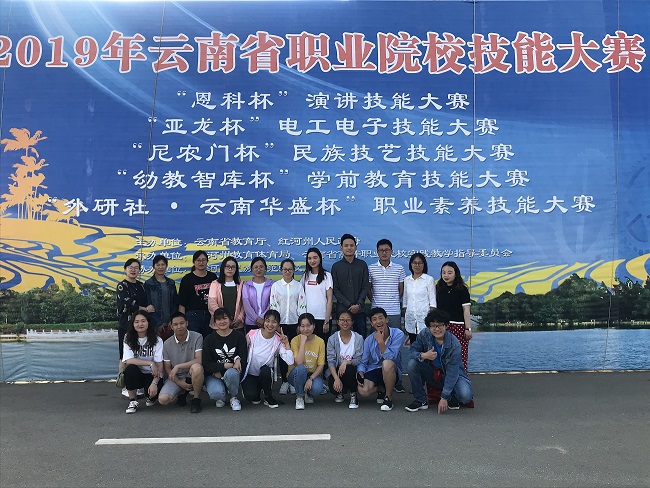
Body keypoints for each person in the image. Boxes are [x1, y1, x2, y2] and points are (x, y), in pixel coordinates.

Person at [405, 308, 473, 413]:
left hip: (453, 375)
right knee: (412, 364)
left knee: (465, 396)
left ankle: (452, 397)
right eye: (433, 326)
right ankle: (420, 400)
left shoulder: (454, 344)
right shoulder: (424, 334)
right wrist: (423, 355)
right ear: (428, 327)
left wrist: (444, 397)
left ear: (446, 326)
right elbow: (412, 351)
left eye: (440, 325)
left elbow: (453, 372)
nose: (436, 329)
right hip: (433, 373)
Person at [241, 309, 294, 408]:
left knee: (266, 371)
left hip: (265, 374)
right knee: (252, 397)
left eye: (274, 322)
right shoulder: (252, 334)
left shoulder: (278, 340)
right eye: (267, 321)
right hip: (250, 373)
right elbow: (242, 351)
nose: (270, 324)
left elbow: (290, 361)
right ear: (264, 321)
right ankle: (256, 391)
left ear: (278, 324)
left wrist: (286, 343)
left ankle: (268, 395)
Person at [116, 258, 153, 398]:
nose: (133, 270)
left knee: (139, 354)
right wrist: (145, 309)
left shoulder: (141, 286)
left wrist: (147, 308)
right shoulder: (122, 286)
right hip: (126, 325)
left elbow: (147, 302)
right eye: (130, 267)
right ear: (125, 269)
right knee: (125, 356)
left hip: (141, 326)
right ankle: (126, 385)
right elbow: (128, 303)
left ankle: (137, 385)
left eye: (136, 267)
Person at [356, 307, 405, 412]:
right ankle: (382, 389)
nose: (378, 322)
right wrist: (360, 371)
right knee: (363, 391)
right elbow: (363, 362)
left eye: (381, 318)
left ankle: (388, 398)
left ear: (386, 320)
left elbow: (391, 357)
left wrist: (380, 342)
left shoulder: (398, 334)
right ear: (372, 324)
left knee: (386, 363)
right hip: (375, 369)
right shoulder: (369, 340)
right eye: (374, 319)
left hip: (392, 369)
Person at [270, 258, 305, 395]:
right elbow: (273, 305)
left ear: (294, 270)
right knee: (283, 354)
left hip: (295, 324)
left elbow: (302, 305)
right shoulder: (276, 286)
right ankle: (284, 381)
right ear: (281, 270)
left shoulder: (298, 286)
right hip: (281, 326)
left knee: (294, 352)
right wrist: (276, 325)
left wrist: (301, 325)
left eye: (290, 269)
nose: (287, 272)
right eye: (285, 269)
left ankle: (293, 381)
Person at [158, 312, 204, 413]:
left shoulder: (197, 337)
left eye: (182, 323)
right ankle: (182, 392)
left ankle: (196, 399)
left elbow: (198, 360)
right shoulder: (167, 343)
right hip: (176, 376)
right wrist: (179, 383)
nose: (179, 327)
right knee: (163, 400)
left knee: (197, 368)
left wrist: (178, 366)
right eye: (175, 324)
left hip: (191, 374)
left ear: (187, 323)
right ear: (171, 327)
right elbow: (167, 368)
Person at [203, 307, 247, 411]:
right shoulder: (209, 339)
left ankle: (233, 397)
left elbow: (244, 357)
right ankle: (221, 396)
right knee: (216, 393)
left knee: (231, 373)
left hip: (232, 373)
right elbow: (206, 364)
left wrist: (237, 361)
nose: (222, 321)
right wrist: (225, 366)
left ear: (231, 319)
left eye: (225, 318)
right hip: (214, 374)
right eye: (218, 319)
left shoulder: (239, 336)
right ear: (214, 322)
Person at [121, 311, 163, 414]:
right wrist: (150, 363)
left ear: (148, 322)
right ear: (133, 324)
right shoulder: (128, 337)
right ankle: (132, 400)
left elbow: (160, 365)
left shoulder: (157, 340)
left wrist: (154, 383)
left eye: (143, 321)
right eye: (137, 322)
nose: (140, 324)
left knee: (153, 397)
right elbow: (128, 360)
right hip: (137, 374)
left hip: (152, 374)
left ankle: (150, 397)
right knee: (130, 369)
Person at [435, 261, 473, 373]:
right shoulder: (438, 288)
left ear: (456, 273)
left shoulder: (462, 289)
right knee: (443, 355)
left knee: (460, 355)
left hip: (459, 327)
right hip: (442, 327)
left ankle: (461, 379)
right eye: (444, 272)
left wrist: (468, 328)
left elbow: (466, 310)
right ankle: (443, 380)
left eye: (449, 272)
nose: (446, 275)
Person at [331, 233, 370, 338]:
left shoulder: (362, 265)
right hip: (342, 310)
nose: (349, 248)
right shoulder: (336, 267)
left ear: (356, 247)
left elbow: (365, 286)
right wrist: (348, 304)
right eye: (346, 245)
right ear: (341, 248)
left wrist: (359, 304)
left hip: (359, 310)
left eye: (352, 245)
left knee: (361, 338)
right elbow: (335, 289)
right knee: (342, 339)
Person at [326, 310, 364, 409]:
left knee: (349, 369)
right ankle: (340, 392)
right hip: (337, 370)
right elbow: (331, 360)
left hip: (352, 370)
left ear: (352, 322)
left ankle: (353, 394)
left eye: (348, 320)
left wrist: (347, 362)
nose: (345, 322)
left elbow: (359, 359)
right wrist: (336, 379)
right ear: (338, 322)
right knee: (333, 388)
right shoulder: (332, 339)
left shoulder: (358, 338)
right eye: (342, 320)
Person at [288, 313, 326, 410]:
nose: (305, 329)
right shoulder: (295, 340)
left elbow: (321, 365)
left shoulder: (320, 341)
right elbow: (299, 362)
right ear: (299, 327)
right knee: (301, 368)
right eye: (302, 326)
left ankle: (308, 393)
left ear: (314, 326)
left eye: (308, 325)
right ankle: (299, 397)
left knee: (317, 389)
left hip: (312, 374)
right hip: (296, 374)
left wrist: (311, 379)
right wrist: (302, 342)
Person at [178, 250, 217, 338]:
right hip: (192, 316)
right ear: (194, 262)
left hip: (209, 315)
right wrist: (182, 320)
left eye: (203, 260)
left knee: (208, 341)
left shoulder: (212, 277)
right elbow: (182, 303)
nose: (201, 262)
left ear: (207, 261)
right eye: (198, 260)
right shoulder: (187, 279)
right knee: (194, 341)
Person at [368, 239, 405, 330]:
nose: (384, 253)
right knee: (377, 337)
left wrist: (394, 300)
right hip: (376, 312)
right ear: (377, 252)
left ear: (391, 252)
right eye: (381, 250)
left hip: (394, 311)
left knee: (395, 336)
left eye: (387, 250)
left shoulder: (399, 268)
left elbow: (401, 290)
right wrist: (375, 301)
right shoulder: (370, 269)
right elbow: (368, 290)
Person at [300, 247, 333, 342]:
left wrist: (326, 321)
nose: (312, 261)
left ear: (320, 258)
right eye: (309, 258)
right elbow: (301, 298)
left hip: (323, 318)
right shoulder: (305, 276)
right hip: (308, 320)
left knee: (322, 345)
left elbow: (330, 299)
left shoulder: (327, 276)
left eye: (315, 258)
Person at [403, 252, 437, 344]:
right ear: (411, 264)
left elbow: (433, 302)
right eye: (415, 263)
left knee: (427, 347)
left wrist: (430, 319)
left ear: (424, 265)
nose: (417, 265)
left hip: (424, 319)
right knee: (414, 346)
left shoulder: (429, 279)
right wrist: (406, 312)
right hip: (411, 319)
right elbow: (405, 300)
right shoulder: (407, 280)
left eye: (420, 263)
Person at [208, 256, 245, 330]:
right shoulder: (215, 284)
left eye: (233, 267)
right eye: (227, 266)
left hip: (236, 324)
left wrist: (240, 318)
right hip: (219, 324)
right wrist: (223, 318)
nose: (230, 269)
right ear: (223, 268)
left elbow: (244, 304)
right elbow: (212, 303)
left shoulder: (242, 284)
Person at [144, 254, 179, 332]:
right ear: (153, 267)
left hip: (170, 323)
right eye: (158, 265)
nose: (160, 267)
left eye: (163, 265)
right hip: (155, 324)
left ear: (166, 266)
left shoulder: (171, 283)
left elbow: (175, 303)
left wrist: (172, 320)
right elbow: (148, 305)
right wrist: (158, 323)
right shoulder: (148, 283)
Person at [242, 256, 273, 334]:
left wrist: (263, 318)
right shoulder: (246, 285)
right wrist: (256, 319)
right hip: (251, 322)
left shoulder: (272, 284)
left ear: (265, 268)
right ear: (251, 269)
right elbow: (246, 304)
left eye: (261, 267)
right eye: (255, 267)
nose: (258, 270)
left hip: (268, 322)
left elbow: (272, 303)